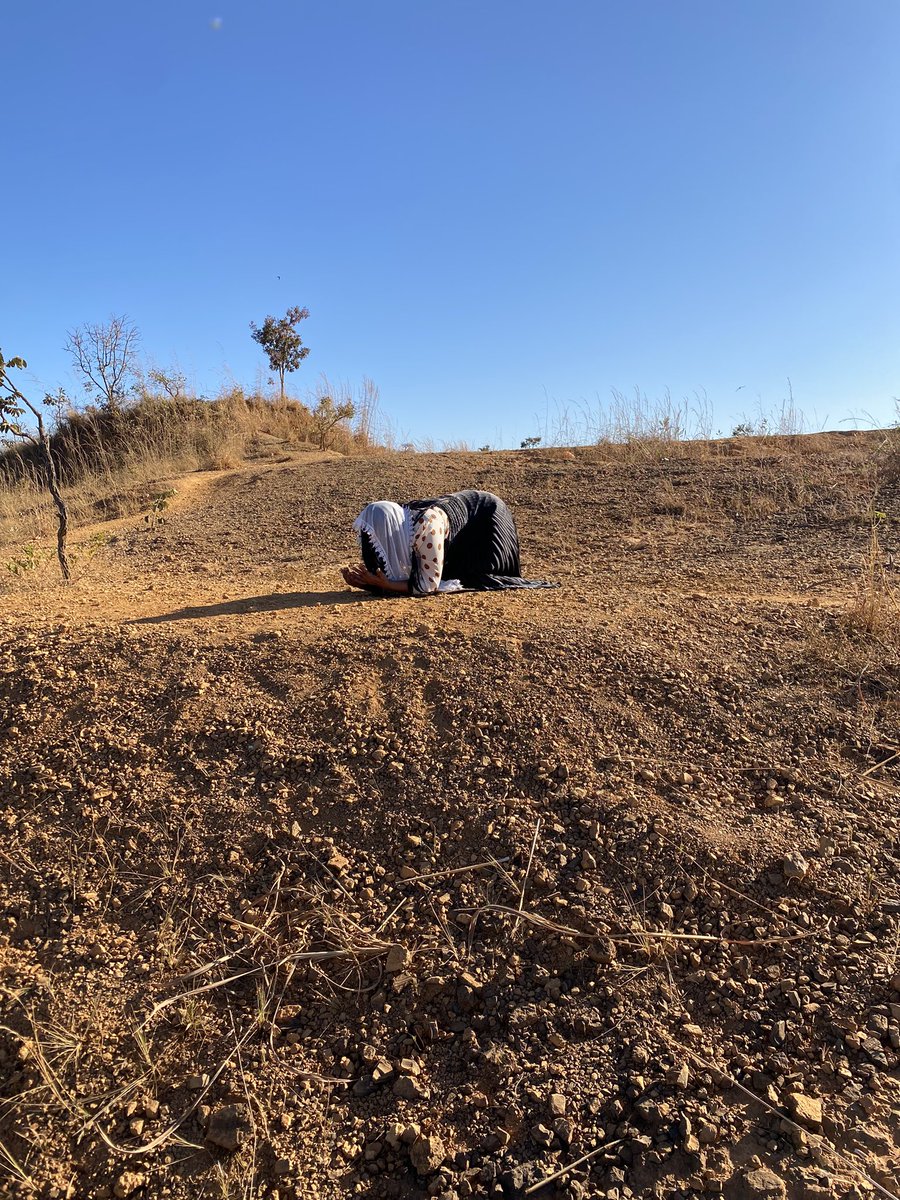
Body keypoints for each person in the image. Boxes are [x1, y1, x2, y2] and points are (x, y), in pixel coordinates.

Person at [341, 489, 554, 596]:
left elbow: (427, 586)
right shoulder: (400, 526)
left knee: (477, 575)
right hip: (463, 518)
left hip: (486, 518)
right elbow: (399, 573)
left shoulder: (426, 526)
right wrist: (366, 582)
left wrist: (386, 585)